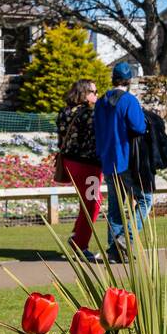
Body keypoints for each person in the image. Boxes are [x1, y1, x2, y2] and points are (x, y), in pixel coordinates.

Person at [94, 62, 152, 262]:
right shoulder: (129, 100)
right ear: (129, 80)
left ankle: (114, 252)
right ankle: (124, 237)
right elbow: (138, 126)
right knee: (146, 199)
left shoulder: (101, 102)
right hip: (127, 159)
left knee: (115, 207)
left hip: (107, 159)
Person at [56, 79, 103, 262]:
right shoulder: (89, 113)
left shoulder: (64, 112)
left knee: (88, 201)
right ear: (85, 93)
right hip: (88, 163)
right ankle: (80, 244)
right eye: (94, 91)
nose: (97, 94)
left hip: (70, 162)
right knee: (92, 203)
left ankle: (78, 236)